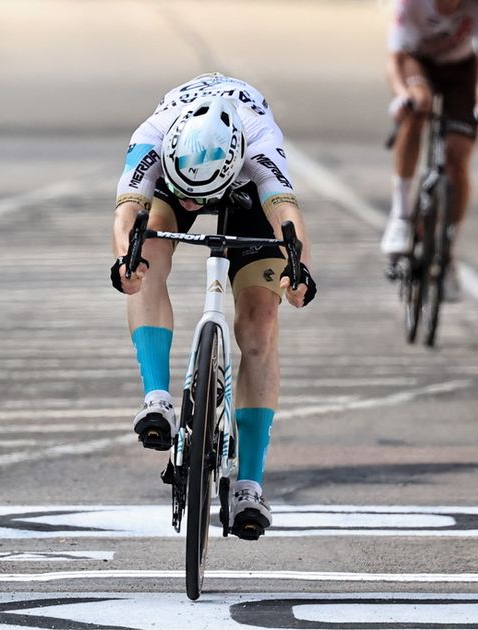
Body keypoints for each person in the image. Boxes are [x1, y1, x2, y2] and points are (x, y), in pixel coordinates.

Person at [110, 73, 317, 540]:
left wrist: (298, 271)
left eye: (195, 195)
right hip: (178, 166)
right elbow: (126, 212)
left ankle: (249, 483)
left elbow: (288, 218)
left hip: (245, 195)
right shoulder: (152, 135)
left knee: (259, 326)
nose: (191, 203)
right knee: (144, 258)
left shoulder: (261, 145)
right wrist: (126, 258)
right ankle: (157, 397)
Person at [380, 0, 478, 301]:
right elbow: (394, 58)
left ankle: (447, 249)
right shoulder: (411, 4)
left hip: (461, 70)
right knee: (418, 104)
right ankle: (401, 214)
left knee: (458, 157)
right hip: (416, 62)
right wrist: (401, 96)